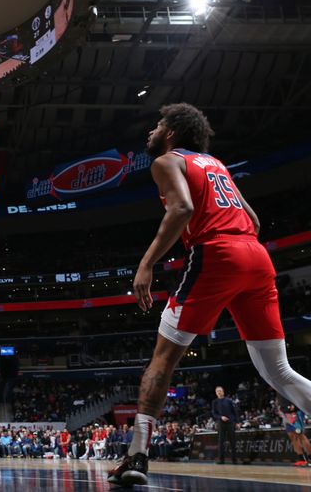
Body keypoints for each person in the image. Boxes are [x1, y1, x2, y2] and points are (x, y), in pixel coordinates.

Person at [108, 103, 311, 487]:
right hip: (256, 256)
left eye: (157, 124)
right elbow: (253, 219)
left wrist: (147, 264)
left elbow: (182, 207)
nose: (151, 131)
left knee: (163, 360)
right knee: (279, 371)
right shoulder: (214, 163)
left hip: (216, 255)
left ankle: (136, 455)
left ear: (171, 133)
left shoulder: (167, 161)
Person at [278, 398, 311, 467]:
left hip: (296, 412)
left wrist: (294, 406)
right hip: (286, 413)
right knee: (292, 437)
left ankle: (310, 458)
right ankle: (301, 459)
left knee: (300, 435)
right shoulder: (280, 391)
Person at [211, 386, 238, 464]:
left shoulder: (229, 401)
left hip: (230, 423)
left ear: (223, 392)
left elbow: (235, 411)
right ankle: (221, 460)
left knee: (233, 441)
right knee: (221, 442)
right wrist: (220, 417)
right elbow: (214, 413)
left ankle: (234, 460)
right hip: (221, 423)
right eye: (217, 391)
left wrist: (237, 422)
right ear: (216, 393)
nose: (219, 392)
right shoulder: (214, 402)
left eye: (220, 391)